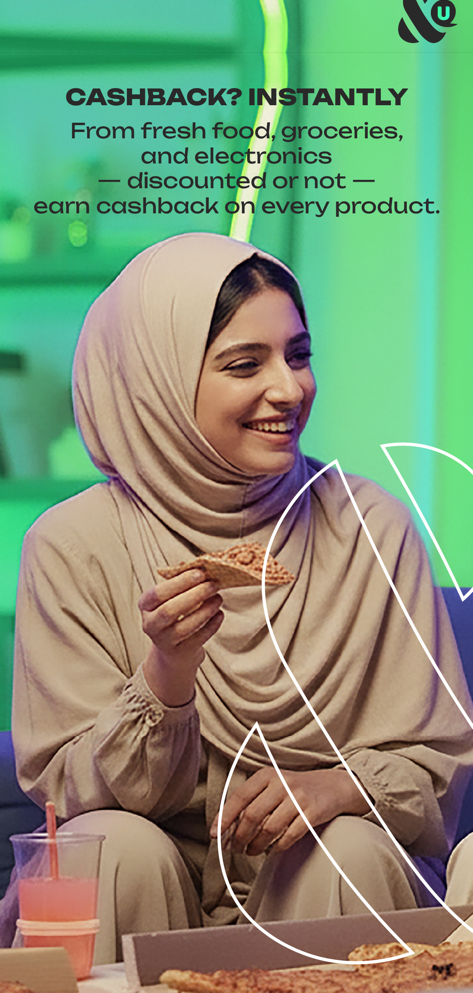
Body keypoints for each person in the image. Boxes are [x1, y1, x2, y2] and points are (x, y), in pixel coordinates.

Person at [10, 233, 473, 963]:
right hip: (144, 878)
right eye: (243, 364)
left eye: (297, 354)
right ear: (154, 381)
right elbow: (61, 805)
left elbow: (436, 765)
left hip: (322, 882)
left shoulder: (369, 525)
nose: (288, 390)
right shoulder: (72, 543)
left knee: (346, 848)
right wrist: (167, 673)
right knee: (113, 847)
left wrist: (339, 787)